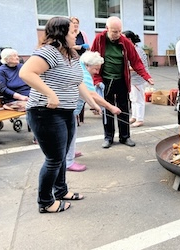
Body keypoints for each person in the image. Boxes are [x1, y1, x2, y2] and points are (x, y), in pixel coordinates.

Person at [19, 17, 102, 213]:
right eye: (73, 32)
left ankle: (60, 191)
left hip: (66, 112)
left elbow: (78, 82)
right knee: (54, 159)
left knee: (62, 156)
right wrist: (50, 93)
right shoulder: (48, 52)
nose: (77, 36)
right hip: (45, 112)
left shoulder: (71, 54)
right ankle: (45, 202)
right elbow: (26, 73)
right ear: (61, 34)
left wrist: (92, 103)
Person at [91, 16, 153, 149]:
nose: (117, 34)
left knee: (124, 109)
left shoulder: (125, 41)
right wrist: (96, 79)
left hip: (122, 80)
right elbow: (92, 60)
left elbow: (136, 61)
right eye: (114, 31)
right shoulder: (99, 39)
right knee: (107, 109)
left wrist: (146, 76)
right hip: (105, 80)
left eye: (120, 31)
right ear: (107, 29)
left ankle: (125, 137)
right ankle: (108, 137)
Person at [66, 51, 122, 172]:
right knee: (70, 133)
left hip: (71, 107)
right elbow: (91, 94)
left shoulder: (79, 65)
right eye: (95, 69)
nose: (97, 72)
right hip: (68, 108)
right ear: (87, 65)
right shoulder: (84, 74)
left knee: (71, 132)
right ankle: (68, 162)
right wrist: (111, 107)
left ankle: (69, 153)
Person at [124, 30, 149, 128]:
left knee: (139, 99)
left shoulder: (137, 50)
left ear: (129, 39)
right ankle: (134, 116)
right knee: (133, 99)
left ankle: (140, 119)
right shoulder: (131, 49)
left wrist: (125, 69)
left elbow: (139, 67)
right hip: (132, 79)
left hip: (138, 79)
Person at [70, 16, 90, 123]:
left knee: (83, 85)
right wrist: (77, 47)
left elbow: (87, 46)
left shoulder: (82, 33)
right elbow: (68, 46)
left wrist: (80, 46)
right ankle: (74, 113)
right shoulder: (68, 34)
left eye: (77, 22)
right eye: (73, 22)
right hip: (72, 61)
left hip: (82, 60)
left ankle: (79, 114)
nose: (75, 24)